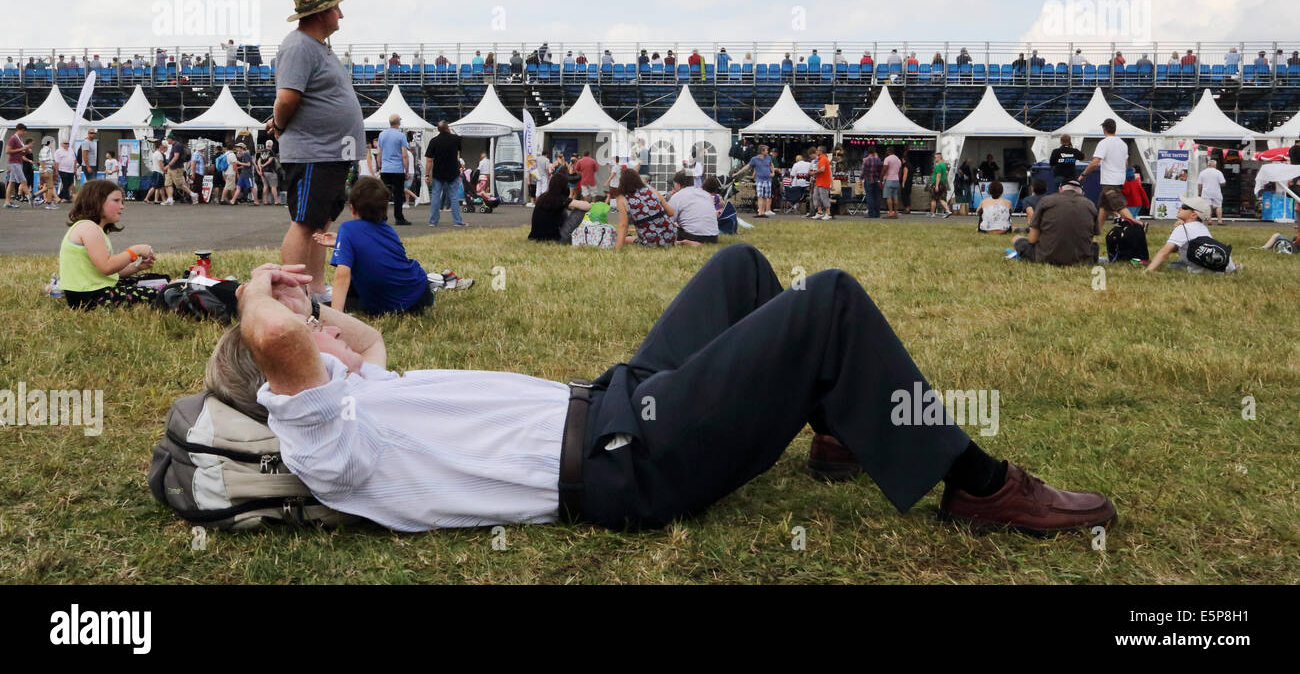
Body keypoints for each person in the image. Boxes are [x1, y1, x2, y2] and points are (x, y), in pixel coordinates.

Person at [208, 249, 1118, 535]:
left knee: (742, 270)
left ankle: (845, 422)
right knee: (827, 300)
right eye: (308, 338)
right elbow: (288, 343)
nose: (328, 331)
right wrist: (259, 304)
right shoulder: (330, 444)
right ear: (284, 382)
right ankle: (977, 485)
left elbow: (343, 333)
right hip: (624, 462)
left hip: (612, 402)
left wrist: (301, 295)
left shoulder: (370, 389)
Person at [270, 0, 366, 298]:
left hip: (329, 151)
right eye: (336, 8)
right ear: (321, 13)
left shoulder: (318, 46)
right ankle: (291, 294)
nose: (341, 13)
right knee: (304, 222)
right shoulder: (299, 45)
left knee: (319, 224)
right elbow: (286, 98)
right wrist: (281, 125)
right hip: (314, 152)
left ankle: (314, 289)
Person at [310, 178, 435, 315]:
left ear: (352, 208)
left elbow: (342, 276)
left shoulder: (348, 229)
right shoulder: (388, 230)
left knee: (327, 304)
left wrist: (336, 315)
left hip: (382, 301)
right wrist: (341, 242)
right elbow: (379, 255)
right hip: (419, 292)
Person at [58, 180, 163, 309]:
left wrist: (137, 267)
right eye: (116, 200)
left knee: (157, 279)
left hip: (95, 289)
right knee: (157, 295)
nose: (122, 206)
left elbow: (110, 273)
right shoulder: (88, 228)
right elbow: (107, 267)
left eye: (122, 201)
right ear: (97, 201)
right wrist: (134, 251)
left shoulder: (92, 228)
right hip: (87, 297)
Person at [1012, 179, 1099, 264]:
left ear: (1060, 190)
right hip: (1082, 259)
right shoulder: (1090, 205)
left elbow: (1032, 239)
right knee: (1095, 242)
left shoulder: (1046, 201)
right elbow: (1091, 239)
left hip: (1046, 257)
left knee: (1016, 239)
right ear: (1082, 194)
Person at [1145, 196, 1241, 274]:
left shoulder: (1182, 229)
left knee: (1171, 266)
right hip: (1218, 267)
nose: (1180, 208)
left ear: (1194, 215)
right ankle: (1234, 267)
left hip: (1198, 269)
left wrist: (1148, 271)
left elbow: (1164, 252)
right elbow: (1175, 250)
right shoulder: (1202, 227)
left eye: (1184, 207)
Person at [1079, 118, 1136, 231]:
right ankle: (1097, 231)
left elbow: (1095, 162)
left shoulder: (1104, 143)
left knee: (1119, 206)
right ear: (1115, 129)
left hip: (1109, 181)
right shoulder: (1123, 144)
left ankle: (1139, 225)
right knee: (1103, 208)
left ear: (1104, 129)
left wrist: (1083, 173)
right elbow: (1125, 163)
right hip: (1119, 179)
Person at [614, 167, 676, 248]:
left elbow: (623, 226)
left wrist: (617, 249)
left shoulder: (622, 198)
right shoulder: (650, 189)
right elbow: (671, 212)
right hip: (671, 236)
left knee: (627, 239)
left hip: (651, 241)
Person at [424, 121, 468, 228]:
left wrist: (426, 175)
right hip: (453, 172)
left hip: (438, 173)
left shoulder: (433, 141)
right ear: (447, 128)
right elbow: (458, 152)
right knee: (453, 196)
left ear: (438, 129)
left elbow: (429, 160)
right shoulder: (456, 139)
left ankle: (433, 221)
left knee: (435, 196)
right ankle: (457, 221)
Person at [528, 167, 590, 241]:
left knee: (563, 210)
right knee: (580, 209)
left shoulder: (543, 197)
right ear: (564, 187)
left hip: (535, 237)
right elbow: (588, 206)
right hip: (556, 239)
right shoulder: (561, 200)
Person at [377, 114, 410, 226]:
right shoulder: (401, 136)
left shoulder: (382, 135)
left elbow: (379, 152)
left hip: (385, 169)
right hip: (397, 169)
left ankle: (382, 216)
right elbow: (404, 155)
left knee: (383, 195)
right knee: (398, 195)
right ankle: (399, 217)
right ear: (398, 123)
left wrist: (380, 166)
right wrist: (406, 170)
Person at [667, 170, 717, 244]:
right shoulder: (706, 194)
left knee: (668, 230)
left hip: (693, 236)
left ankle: (685, 242)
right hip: (713, 237)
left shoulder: (677, 196)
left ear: (678, 185)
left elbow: (668, 220)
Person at [733, 143, 775, 218]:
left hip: (768, 179)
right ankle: (760, 212)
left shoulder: (768, 157)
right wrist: (737, 173)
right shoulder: (754, 159)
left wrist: (773, 172)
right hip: (760, 179)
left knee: (766, 196)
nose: (768, 151)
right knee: (760, 196)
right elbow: (747, 166)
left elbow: (771, 165)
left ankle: (763, 212)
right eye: (766, 150)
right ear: (762, 151)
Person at [5, 121, 33, 207]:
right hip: (14, 163)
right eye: (24, 131)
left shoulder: (19, 139)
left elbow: (20, 153)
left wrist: (26, 150)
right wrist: (22, 149)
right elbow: (7, 151)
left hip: (17, 162)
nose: (25, 133)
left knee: (12, 182)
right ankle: (32, 199)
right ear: (19, 130)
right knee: (23, 181)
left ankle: (7, 202)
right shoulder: (13, 138)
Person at [162, 134, 195, 205]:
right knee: (168, 183)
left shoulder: (177, 145)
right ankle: (170, 199)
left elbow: (176, 157)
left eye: (167, 139)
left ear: (171, 139)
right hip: (172, 168)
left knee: (179, 185)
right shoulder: (174, 145)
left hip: (176, 168)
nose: (167, 140)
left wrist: (168, 165)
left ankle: (193, 194)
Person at [1197, 156, 1227, 225]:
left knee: (1208, 207)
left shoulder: (1202, 172)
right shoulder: (1218, 172)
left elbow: (1199, 184)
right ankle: (1219, 220)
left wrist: (1199, 192)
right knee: (1218, 206)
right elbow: (1222, 182)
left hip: (1206, 192)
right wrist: (1222, 184)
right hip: (1216, 192)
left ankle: (1209, 220)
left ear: (1208, 165)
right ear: (1214, 165)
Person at [809, 145, 833, 221]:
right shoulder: (820, 159)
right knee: (816, 197)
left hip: (823, 182)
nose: (816, 151)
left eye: (817, 150)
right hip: (819, 182)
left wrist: (814, 173)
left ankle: (828, 214)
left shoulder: (823, 159)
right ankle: (819, 212)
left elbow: (822, 169)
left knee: (824, 198)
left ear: (821, 151)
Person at [858, 147, 883, 218]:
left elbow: (863, 171)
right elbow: (881, 171)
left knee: (869, 197)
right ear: (874, 152)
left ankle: (871, 213)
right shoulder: (878, 160)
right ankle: (877, 213)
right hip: (876, 180)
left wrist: (860, 180)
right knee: (877, 197)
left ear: (868, 152)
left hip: (868, 180)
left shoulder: (865, 160)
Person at [882, 146, 903, 218]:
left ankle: (890, 212)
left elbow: (884, 169)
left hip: (889, 179)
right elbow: (900, 171)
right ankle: (896, 212)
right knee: (895, 197)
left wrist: (881, 178)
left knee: (888, 197)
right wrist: (898, 178)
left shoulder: (887, 159)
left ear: (888, 151)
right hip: (896, 180)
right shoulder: (898, 160)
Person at [257, 141, 280, 206]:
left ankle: (265, 201)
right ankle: (276, 201)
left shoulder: (262, 152)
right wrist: (264, 165)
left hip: (263, 172)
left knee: (265, 186)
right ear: (271, 145)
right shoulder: (271, 152)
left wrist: (260, 169)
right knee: (273, 186)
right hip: (271, 171)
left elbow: (258, 161)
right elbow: (270, 160)